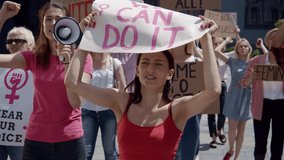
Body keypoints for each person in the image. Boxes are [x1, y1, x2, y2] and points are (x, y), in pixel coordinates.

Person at [65, 13, 221, 160]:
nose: (150, 69)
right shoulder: (120, 100)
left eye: (158, 64)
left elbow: (213, 91)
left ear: (170, 73)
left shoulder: (178, 109)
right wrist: (85, 39)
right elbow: (72, 83)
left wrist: (206, 39)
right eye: (145, 62)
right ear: (137, 70)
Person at [0, 1, 93, 160]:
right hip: (36, 142)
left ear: (67, 24)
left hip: (70, 142)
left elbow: (76, 102)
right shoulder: (33, 57)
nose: (53, 23)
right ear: (42, 25)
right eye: (48, 19)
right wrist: (2, 16)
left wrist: (67, 63)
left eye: (58, 18)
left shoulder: (83, 58)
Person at [241, 28, 284, 160]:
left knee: (278, 141)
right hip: (262, 105)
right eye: (273, 38)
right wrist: (251, 77)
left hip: (281, 105)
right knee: (260, 141)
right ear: (268, 42)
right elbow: (244, 83)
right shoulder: (256, 61)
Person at [0, 2, 35, 159]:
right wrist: (2, 16)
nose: (13, 44)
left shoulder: (38, 68)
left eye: (19, 40)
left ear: (31, 45)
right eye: (9, 41)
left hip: (23, 136)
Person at [82, 52, 126, 160]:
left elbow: (123, 90)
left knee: (110, 151)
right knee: (86, 151)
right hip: (88, 110)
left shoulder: (114, 63)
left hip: (108, 111)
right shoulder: (85, 62)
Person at [214, 37, 253, 160]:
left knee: (241, 129)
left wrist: (262, 45)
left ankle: (236, 157)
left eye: (245, 46)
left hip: (246, 96)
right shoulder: (232, 61)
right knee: (232, 127)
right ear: (237, 49)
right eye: (241, 46)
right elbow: (216, 51)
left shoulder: (253, 63)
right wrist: (226, 41)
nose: (243, 48)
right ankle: (231, 148)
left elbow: (269, 56)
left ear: (249, 48)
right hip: (234, 95)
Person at [171, 42, 202, 160]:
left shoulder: (196, 60)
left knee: (188, 156)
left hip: (190, 118)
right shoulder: (164, 59)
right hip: (167, 116)